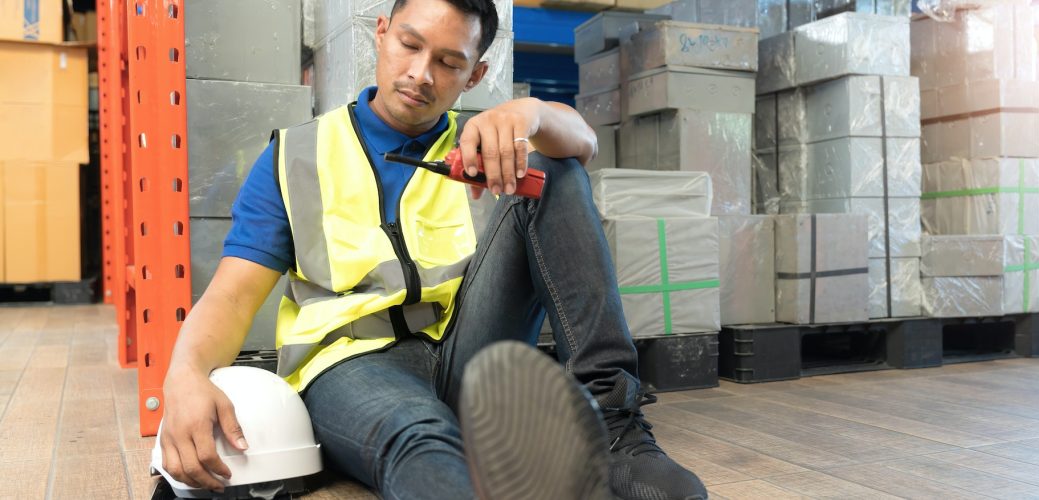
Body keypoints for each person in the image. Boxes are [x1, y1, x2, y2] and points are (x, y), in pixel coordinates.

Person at [158, 0, 707, 498]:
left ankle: (612, 425)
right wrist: (186, 373)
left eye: (449, 62)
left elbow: (581, 142)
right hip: (351, 364)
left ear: (476, 74)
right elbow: (231, 298)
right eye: (410, 45)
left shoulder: (486, 142)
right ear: (381, 32)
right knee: (421, 439)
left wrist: (532, 114)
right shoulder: (295, 156)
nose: (421, 74)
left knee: (549, 166)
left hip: (468, 346)